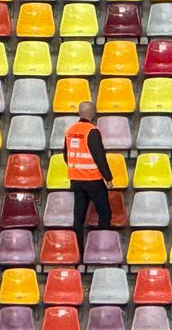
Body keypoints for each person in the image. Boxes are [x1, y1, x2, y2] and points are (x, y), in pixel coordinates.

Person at [64, 101, 112, 251]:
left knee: (78, 218)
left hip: (76, 180)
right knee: (105, 213)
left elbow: (66, 155)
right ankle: (101, 247)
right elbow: (99, 157)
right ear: (92, 113)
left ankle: (78, 251)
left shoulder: (70, 131)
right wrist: (108, 178)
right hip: (93, 180)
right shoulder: (92, 131)